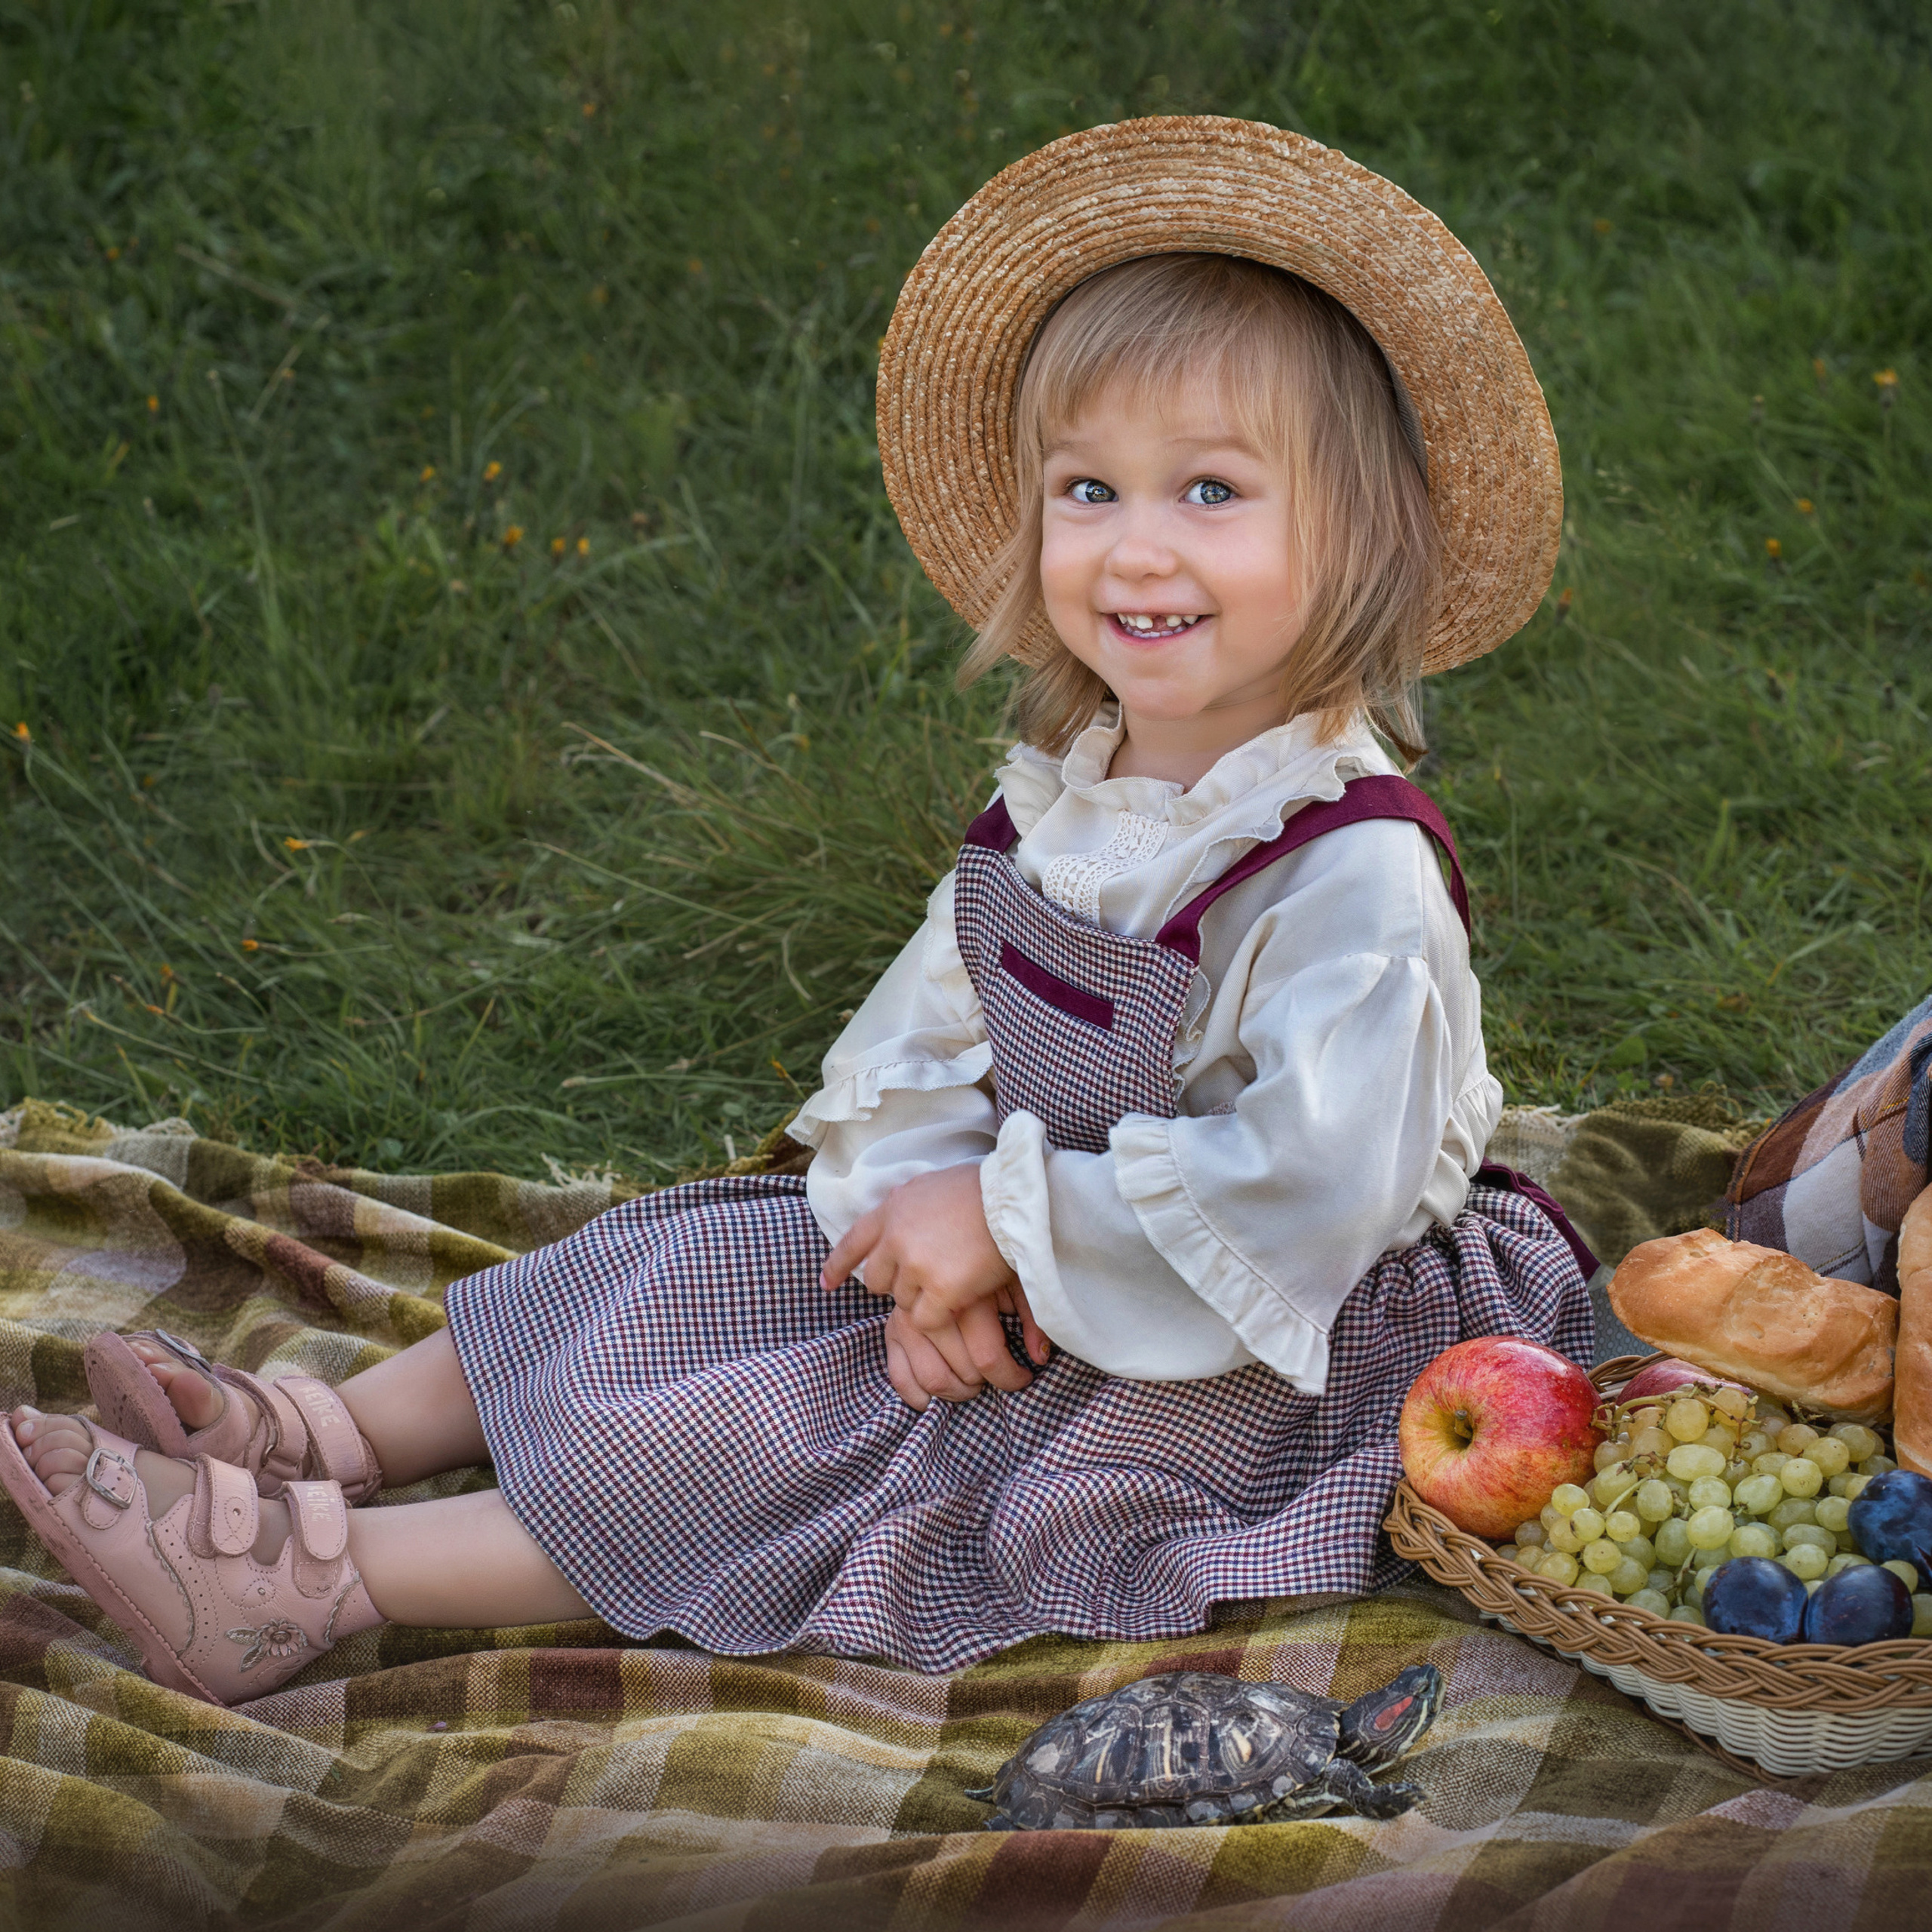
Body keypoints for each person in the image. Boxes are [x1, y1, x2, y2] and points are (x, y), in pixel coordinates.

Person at [0, 118, 1592, 1705]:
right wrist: (921, 1224)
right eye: (1088, 486)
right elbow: (925, 1030)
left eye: (1210, 491)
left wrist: (1009, 1236)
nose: (1135, 543)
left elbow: (1302, 1189)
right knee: (697, 1255)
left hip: (1255, 1334)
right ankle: (330, 1432)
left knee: (820, 1442)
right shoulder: (1073, 790)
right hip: (1039, 1232)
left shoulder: (1348, 877)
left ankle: (307, 1581)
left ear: (1359, 538)